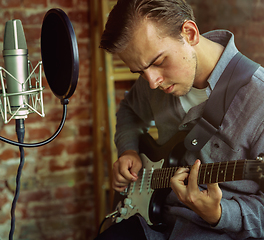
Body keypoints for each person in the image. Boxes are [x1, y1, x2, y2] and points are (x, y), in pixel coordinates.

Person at [96, 0, 264, 239]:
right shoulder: (152, 80)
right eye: (140, 71)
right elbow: (129, 111)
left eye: (158, 62)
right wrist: (128, 150)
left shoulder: (260, 100)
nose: (152, 81)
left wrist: (220, 214)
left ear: (189, 33)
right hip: (153, 221)